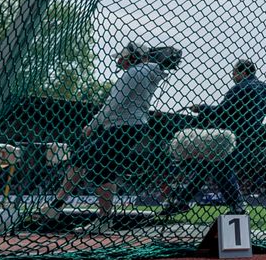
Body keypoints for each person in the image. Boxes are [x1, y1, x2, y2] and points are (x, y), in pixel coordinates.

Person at [39, 42, 180, 231]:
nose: (120, 59)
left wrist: (92, 125)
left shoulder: (134, 73)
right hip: (131, 127)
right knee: (98, 167)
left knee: (87, 161)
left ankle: (60, 206)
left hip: (121, 127)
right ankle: (88, 215)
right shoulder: (148, 72)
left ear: (133, 56)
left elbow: (112, 104)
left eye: (124, 56)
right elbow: (161, 63)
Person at [161, 59, 266, 217]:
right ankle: (182, 201)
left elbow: (223, 111)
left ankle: (236, 206)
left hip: (228, 136)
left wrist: (201, 108)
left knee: (217, 167)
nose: (232, 76)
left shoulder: (239, 88)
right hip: (250, 137)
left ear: (243, 72)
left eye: (234, 72)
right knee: (209, 168)